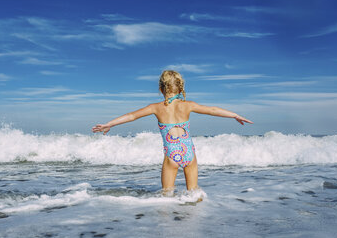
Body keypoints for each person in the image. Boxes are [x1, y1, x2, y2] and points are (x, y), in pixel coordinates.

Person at [92, 70, 252, 196]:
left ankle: (168, 231)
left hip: (171, 156)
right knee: (194, 193)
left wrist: (109, 124)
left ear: (161, 88)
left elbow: (132, 116)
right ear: (180, 88)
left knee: (166, 197)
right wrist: (235, 115)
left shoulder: (156, 107)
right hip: (189, 154)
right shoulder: (188, 105)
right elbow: (212, 110)